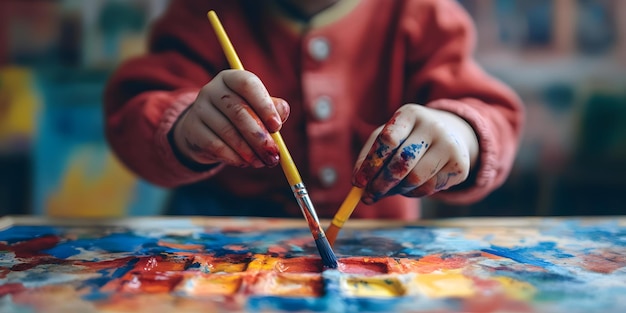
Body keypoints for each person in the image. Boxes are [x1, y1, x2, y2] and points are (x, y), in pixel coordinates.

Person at [104, 0, 524, 220]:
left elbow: (493, 114)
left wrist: (459, 132)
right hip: (215, 256)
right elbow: (132, 115)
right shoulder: (201, 14)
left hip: (379, 256)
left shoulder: (422, 14)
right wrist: (185, 131)